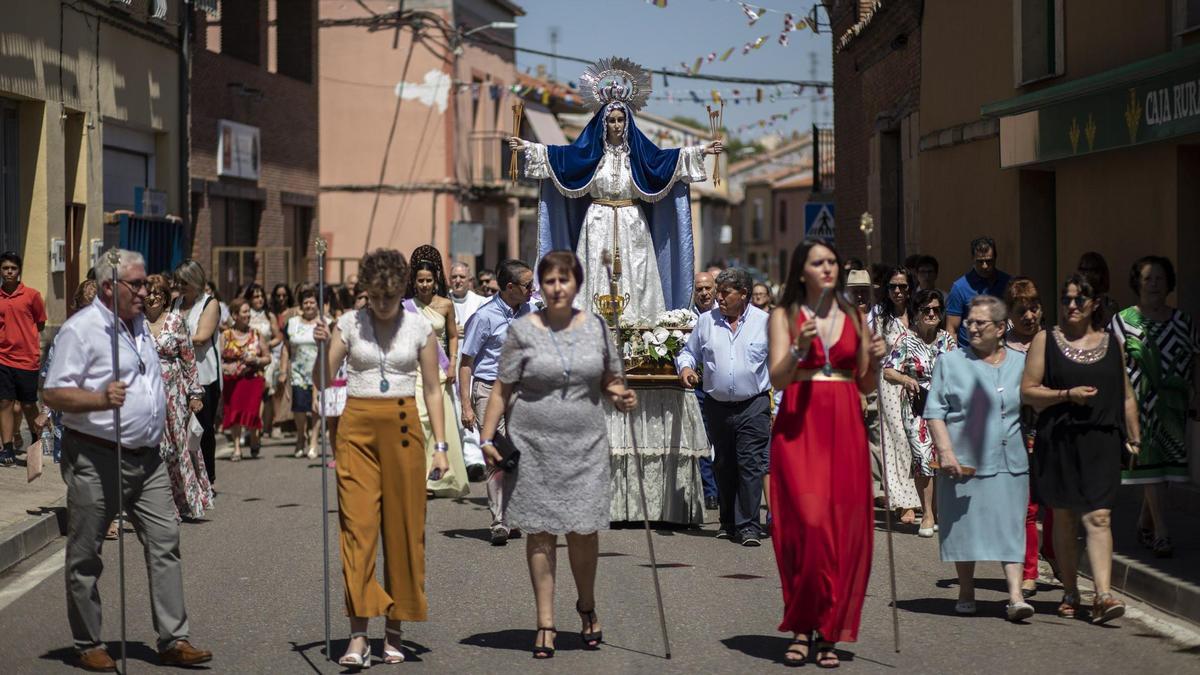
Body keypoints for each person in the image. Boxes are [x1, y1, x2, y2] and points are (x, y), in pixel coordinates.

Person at [43, 249, 212, 670]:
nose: (144, 291)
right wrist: (99, 398)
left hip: (148, 457)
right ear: (107, 286)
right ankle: (88, 641)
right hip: (98, 455)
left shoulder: (140, 326)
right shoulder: (80, 331)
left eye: (144, 283)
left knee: (165, 542)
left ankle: (174, 638)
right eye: (135, 284)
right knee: (86, 553)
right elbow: (54, 392)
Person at [477, 251, 635, 658]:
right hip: (534, 447)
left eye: (564, 280)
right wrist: (487, 436)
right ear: (540, 288)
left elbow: (610, 379)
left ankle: (586, 606)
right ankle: (545, 622)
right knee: (540, 533)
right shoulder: (522, 330)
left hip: (584, 447)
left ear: (576, 284)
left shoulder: (596, 327)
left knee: (583, 531)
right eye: (549, 281)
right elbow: (502, 388)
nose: (557, 287)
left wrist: (621, 395)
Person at [312, 248, 449, 668]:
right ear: (367, 291)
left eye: (391, 297)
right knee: (359, 530)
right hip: (356, 427)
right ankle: (358, 635)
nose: (386, 305)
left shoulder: (419, 327)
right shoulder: (349, 323)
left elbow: (431, 388)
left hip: (405, 426)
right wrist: (320, 347)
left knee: (404, 531)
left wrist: (441, 446)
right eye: (378, 297)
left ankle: (394, 628)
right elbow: (321, 379)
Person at [510, 57, 722, 322]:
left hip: (633, 222)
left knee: (638, 273)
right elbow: (562, 158)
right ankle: (586, 326)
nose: (617, 125)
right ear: (603, 123)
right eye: (611, 120)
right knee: (594, 273)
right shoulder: (590, 156)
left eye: (621, 119)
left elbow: (665, 161)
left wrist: (703, 150)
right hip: (597, 221)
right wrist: (528, 147)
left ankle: (642, 331)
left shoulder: (638, 156)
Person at [766, 239, 886, 667]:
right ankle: (801, 624)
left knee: (841, 530)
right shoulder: (784, 315)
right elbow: (778, 380)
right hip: (801, 424)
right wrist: (799, 347)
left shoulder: (855, 315)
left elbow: (866, 384)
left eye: (833, 261)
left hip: (845, 423)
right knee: (810, 527)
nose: (828, 268)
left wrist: (876, 359)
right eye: (819, 262)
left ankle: (829, 630)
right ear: (802, 271)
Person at [1022, 274, 1141, 625]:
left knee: (1100, 516)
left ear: (1094, 304)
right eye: (1066, 299)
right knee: (1066, 518)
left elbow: (1127, 396)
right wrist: (1065, 395)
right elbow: (1027, 391)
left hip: (1101, 441)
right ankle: (1071, 590)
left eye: (1079, 299)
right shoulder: (1046, 340)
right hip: (1059, 439)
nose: (1071, 305)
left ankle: (1103, 594)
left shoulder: (1110, 343)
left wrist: (1134, 436)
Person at [924, 295, 1033, 622]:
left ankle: (1015, 596)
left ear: (1001, 328)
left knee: (1011, 526)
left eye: (979, 323)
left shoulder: (1020, 363)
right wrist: (945, 452)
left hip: (1010, 458)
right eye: (969, 321)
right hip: (964, 459)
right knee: (965, 526)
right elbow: (934, 413)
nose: (971, 327)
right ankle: (967, 588)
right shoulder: (950, 362)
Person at [678, 268, 772, 546]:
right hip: (717, 405)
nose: (718, 297)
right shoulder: (706, 322)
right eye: (717, 292)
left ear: (743, 294)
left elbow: (780, 360)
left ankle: (749, 526)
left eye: (725, 292)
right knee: (724, 464)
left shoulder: (764, 322)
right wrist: (685, 369)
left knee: (751, 463)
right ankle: (728, 521)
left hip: (753, 404)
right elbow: (688, 352)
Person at [1112, 256, 1198, 558]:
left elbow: (1195, 359)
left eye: (1159, 278)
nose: (1154, 284)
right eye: (1148, 278)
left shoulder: (1183, 321)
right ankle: (1162, 532)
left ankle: (1144, 522)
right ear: (1138, 282)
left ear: (1168, 283)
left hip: (1174, 404)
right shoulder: (1123, 320)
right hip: (1138, 404)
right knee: (1150, 468)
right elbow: (1117, 365)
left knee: (1168, 471)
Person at [460, 260, 534, 544]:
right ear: (511, 287)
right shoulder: (485, 317)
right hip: (489, 389)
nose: (533, 289)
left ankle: (512, 514)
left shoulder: (528, 310)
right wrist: (466, 405)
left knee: (519, 454)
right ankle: (499, 521)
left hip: (521, 390)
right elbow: (466, 363)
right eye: (528, 285)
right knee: (495, 455)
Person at [883, 288, 955, 537]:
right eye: (927, 310)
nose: (932, 314)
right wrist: (905, 379)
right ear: (916, 313)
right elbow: (888, 370)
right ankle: (927, 513)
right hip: (917, 408)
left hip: (945, 407)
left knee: (941, 458)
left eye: (936, 309)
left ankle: (938, 509)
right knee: (922, 457)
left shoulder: (947, 340)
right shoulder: (906, 340)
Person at [1003, 277, 1057, 596]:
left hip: (1051, 428)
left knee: (1054, 500)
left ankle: (1052, 552)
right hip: (1015, 430)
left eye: (1034, 308)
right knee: (1028, 506)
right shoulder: (1001, 345)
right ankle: (1029, 570)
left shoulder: (1053, 342)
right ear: (1009, 313)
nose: (1029, 316)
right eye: (1021, 310)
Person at [144, 275, 212, 520]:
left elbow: (189, 359)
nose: (153, 298)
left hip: (173, 393)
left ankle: (184, 502)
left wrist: (195, 393)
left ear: (165, 298)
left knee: (176, 449)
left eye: (158, 294)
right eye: (149, 293)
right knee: (153, 449)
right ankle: (160, 505)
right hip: (145, 394)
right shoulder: (135, 324)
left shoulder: (175, 322)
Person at [408, 245, 468, 498]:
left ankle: (434, 478)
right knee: (419, 422)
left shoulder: (445, 305)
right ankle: (416, 474)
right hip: (413, 370)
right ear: (413, 281)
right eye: (420, 280)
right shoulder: (405, 306)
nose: (424, 285)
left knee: (436, 423)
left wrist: (452, 361)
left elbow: (453, 336)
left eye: (428, 280)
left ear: (436, 282)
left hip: (439, 371)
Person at [872, 266, 921, 523]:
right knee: (897, 439)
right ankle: (904, 501)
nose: (898, 291)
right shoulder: (880, 316)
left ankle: (921, 496)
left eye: (903, 286)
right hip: (890, 381)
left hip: (919, 381)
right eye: (893, 286)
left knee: (919, 438)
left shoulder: (920, 311)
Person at [173, 260, 222, 485]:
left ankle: (207, 477)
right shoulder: (174, 304)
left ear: (195, 281)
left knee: (202, 429)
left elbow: (202, 337)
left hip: (203, 376)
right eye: (178, 282)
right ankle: (185, 478)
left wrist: (170, 340)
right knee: (179, 429)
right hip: (176, 376)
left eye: (184, 282)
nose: (180, 286)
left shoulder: (209, 304)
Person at [0, 251, 46, 465]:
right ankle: (7, 448)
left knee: (28, 404)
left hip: (27, 358)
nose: (9, 272)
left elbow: (41, 322)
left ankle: (36, 441)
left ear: (19, 271)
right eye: (5, 268)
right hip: (3, 358)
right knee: (5, 402)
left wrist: (25, 338)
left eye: (13, 268)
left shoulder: (32, 295)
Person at [448, 262, 488, 480]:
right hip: (448, 363)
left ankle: (475, 459)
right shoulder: (443, 302)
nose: (458, 281)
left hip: (473, 363)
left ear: (469, 279)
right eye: (454, 276)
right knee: (453, 410)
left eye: (462, 277)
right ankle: (458, 457)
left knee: (470, 406)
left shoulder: (481, 302)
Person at [220, 298, 269, 462]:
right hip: (232, 381)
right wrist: (226, 368)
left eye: (249, 311)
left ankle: (254, 438)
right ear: (235, 315)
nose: (248, 315)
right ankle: (237, 448)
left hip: (253, 379)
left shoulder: (256, 334)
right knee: (234, 413)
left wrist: (256, 361)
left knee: (252, 413)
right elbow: (218, 359)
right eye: (245, 312)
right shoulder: (225, 335)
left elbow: (267, 358)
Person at [281, 288, 323, 459]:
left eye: (312, 302)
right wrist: (283, 371)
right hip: (298, 372)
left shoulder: (324, 322)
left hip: (318, 373)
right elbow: (285, 348)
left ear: (317, 304)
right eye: (305, 302)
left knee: (316, 408)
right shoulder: (292, 323)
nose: (308, 305)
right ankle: (300, 436)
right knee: (299, 408)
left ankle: (313, 440)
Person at [946, 236, 1011, 346]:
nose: (984, 266)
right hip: (968, 353)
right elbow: (952, 329)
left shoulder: (1008, 283)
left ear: (996, 258)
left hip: (1001, 350)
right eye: (980, 262)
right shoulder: (960, 287)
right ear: (972, 259)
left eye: (988, 261)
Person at [242, 284, 282, 439]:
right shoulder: (246, 314)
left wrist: (266, 344)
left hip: (265, 359)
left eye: (261, 296)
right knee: (249, 393)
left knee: (262, 392)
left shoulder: (269, 315)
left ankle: (257, 427)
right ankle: (249, 425)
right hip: (248, 359)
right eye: (256, 296)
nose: (259, 299)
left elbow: (278, 336)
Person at [1077, 251, 1119, 328]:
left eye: (1091, 270)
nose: (1085, 274)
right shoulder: (1073, 301)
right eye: (1082, 270)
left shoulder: (1109, 304)